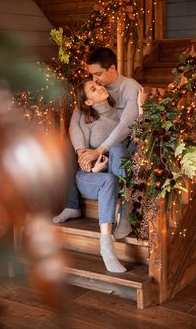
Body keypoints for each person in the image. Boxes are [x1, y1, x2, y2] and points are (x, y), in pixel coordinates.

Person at [53, 47, 141, 238]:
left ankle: (126, 206)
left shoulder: (130, 88)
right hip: (97, 149)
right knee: (66, 145)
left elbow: (125, 125)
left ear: (112, 68)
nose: (95, 80)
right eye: (92, 74)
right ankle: (72, 205)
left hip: (123, 143)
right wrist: (81, 151)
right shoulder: (92, 89)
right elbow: (75, 122)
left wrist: (99, 150)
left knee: (129, 143)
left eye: (98, 74)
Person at [61, 79, 132, 272]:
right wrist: (93, 168)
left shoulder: (121, 115)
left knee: (117, 148)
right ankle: (107, 247)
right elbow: (83, 159)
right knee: (107, 180)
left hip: (114, 170)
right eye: (94, 89)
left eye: (98, 84)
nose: (100, 87)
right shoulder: (85, 120)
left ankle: (125, 205)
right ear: (89, 102)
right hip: (90, 176)